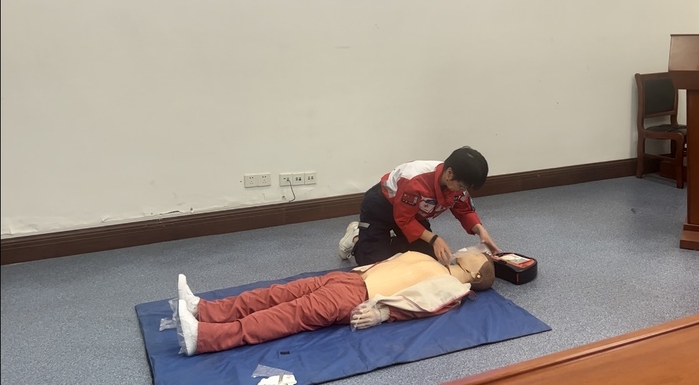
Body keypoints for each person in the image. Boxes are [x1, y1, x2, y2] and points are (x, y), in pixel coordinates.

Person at [175, 250, 495, 356]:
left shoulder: (454, 287)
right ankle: (205, 309)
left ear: (475, 273)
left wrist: (382, 313)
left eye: (476, 254)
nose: (471, 249)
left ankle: (204, 337)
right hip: (348, 279)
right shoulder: (432, 260)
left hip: (357, 296)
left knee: (284, 315)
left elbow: (424, 305)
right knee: (276, 294)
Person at [338, 146, 501, 266]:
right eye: (462, 186)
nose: (463, 191)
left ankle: (385, 241)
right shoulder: (414, 180)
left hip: (413, 214)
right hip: (381, 207)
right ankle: (356, 237)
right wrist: (435, 238)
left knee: (429, 258)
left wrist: (481, 231)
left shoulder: (457, 185)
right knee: (374, 265)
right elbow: (403, 219)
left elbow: (464, 210)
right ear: (449, 173)